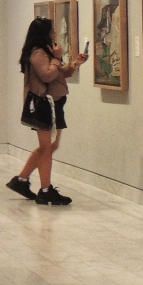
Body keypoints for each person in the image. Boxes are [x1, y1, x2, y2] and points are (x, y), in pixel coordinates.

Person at [7, 17, 88, 205]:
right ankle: (44, 189)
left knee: (50, 146)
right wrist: (57, 58)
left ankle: (22, 181)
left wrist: (75, 63)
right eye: (52, 30)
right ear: (44, 33)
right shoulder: (38, 53)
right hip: (45, 104)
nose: (54, 33)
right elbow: (47, 75)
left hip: (54, 103)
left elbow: (60, 73)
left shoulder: (47, 51)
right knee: (47, 147)